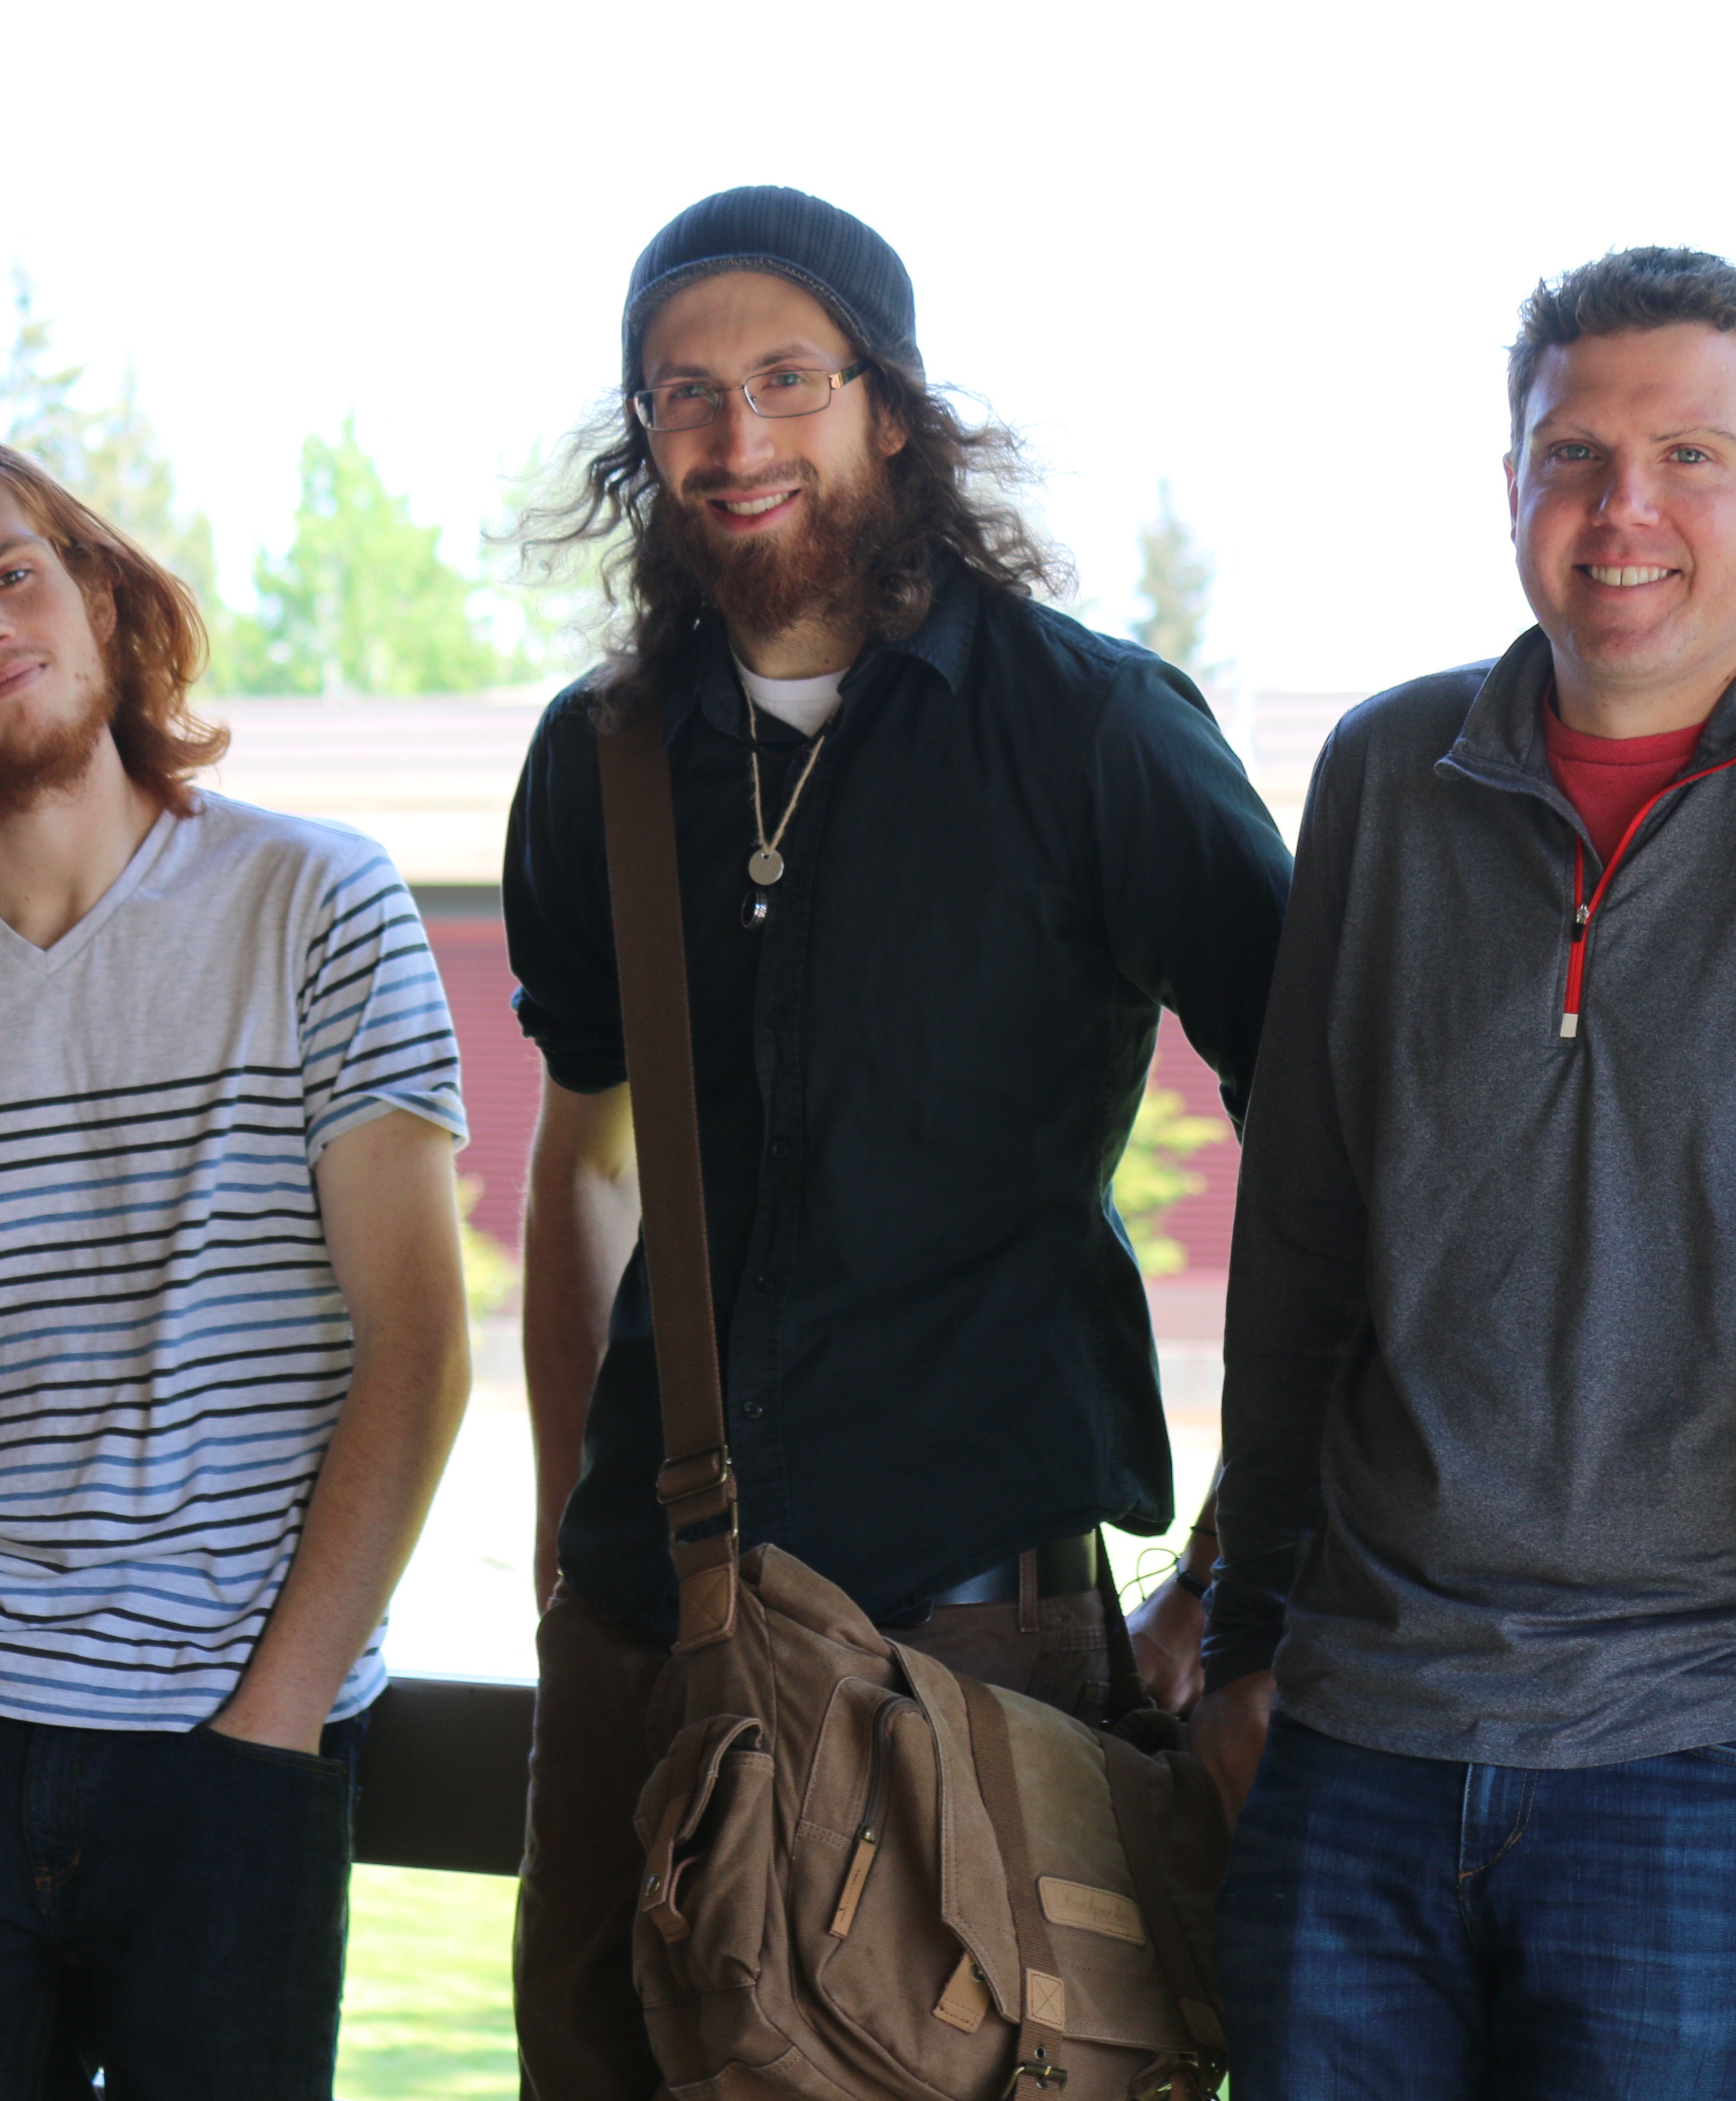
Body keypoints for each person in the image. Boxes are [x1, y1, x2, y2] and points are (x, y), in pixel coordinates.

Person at [1196, 246, 1736, 2100]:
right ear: (1510, 484)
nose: (1625, 510)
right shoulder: (1384, 776)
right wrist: (1247, 1633)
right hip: (1362, 1728)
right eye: (1574, 453)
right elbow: (1303, 1246)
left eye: (1691, 454)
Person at [500, 184, 1291, 2099]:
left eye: (788, 378)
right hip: (645, 1639)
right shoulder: (597, 763)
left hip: (972, 1642)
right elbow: (587, 1162)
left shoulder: (1091, 729)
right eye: (683, 395)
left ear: (895, 410)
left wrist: (1246, 1570)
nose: (737, 437)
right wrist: (570, 1543)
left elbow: (1333, 1151)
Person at [0, 435, 473, 2099]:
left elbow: (418, 1354)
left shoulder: (316, 901)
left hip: (237, 1762)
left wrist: (269, 1738)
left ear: (101, 601)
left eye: (14, 574)